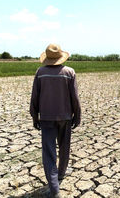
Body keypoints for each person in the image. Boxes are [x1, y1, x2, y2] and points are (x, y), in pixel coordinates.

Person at [30, 44, 81, 198]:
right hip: (65, 117)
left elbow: (35, 97)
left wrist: (34, 116)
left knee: (49, 153)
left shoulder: (40, 73)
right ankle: (60, 174)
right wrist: (77, 115)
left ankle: (54, 189)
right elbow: (75, 98)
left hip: (46, 118)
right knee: (64, 147)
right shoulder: (69, 72)